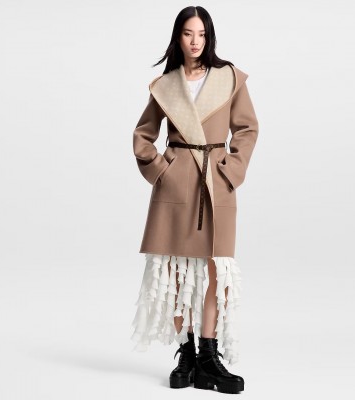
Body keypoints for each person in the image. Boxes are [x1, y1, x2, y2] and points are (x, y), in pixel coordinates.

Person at [130, 5, 259, 395]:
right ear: (178, 37)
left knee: (217, 270)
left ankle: (208, 355)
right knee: (175, 271)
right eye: (188, 33)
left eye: (201, 34)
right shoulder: (165, 85)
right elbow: (143, 135)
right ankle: (186, 353)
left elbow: (247, 128)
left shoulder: (229, 77)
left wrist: (230, 170)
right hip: (176, 184)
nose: (195, 41)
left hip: (215, 182)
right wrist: (162, 169)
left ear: (210, 36)